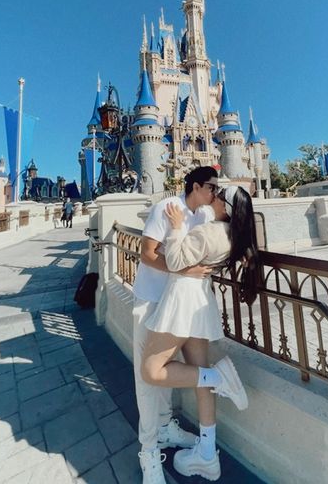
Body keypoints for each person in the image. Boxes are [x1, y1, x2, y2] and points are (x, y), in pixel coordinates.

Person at [141, 185, 261, 481]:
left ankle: (220, 377)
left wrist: (178, 227)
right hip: (201, 302)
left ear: (225, 206)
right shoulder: (235, 238)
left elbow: (176, 261)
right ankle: (207, 454)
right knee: (198, 372)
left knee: (151, 370)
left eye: (218, 195)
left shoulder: (210, 232)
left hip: (181, 301)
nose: (213, 197)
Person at [133, 166, 219, 484]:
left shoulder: (202, 217)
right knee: (147, 377)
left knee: (169, 371)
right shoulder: (167, 208)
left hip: (183, 306)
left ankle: (167, 427)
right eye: (211, 187)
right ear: (195, 186)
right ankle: (149, 453)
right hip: (152, 301)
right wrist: (181, 271)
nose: (215, 193)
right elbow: (146, 254)